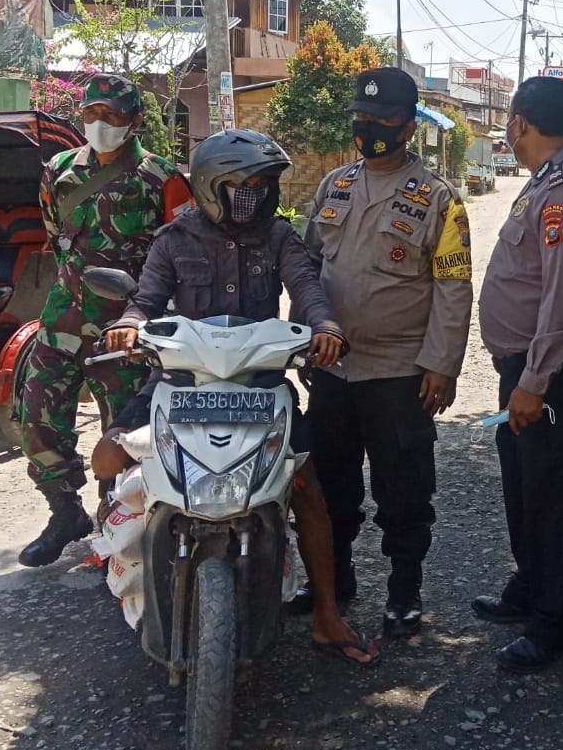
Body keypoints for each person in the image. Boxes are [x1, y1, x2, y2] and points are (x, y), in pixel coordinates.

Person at [92, 128, 377, 665]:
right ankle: (120, 561)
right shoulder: (173, 240)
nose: (253, 195)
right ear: (208, 186)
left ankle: (326, 616)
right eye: (240, 184)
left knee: (310, 489)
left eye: (262, 184)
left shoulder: (279, 238)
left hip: (258, 383)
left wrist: (326, 326)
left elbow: (308, 288)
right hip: (180, 382)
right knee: (107, 459)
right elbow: (146, 298)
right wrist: (129, 325)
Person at [300, 67, 473, 639]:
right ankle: (335, 580)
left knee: (403, 491)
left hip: (400, 374)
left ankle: (404, 590)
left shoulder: (440, 200)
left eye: (383, 119)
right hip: (332, 367)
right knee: (330, 487)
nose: (368, 126)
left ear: (408, 125)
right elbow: (304, 270)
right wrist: (298, 339)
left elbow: (453, 286)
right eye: (361, 116)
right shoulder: (334, 186)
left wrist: (443, 364)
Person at [16, 75, 192, 568]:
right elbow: (56, 235)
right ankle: (63, 512)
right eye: (92, 113)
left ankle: (116, 526)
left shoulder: (162, 177)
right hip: (64, 318)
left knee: (123, 435)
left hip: (129, 328)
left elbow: (181, 251)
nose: (100, 124)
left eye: (112, 116)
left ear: (135, 121)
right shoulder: (60, 170)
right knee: (38, 419)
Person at [474, 75, 563, 673]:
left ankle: (556, 620)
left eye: (510, 119)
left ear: (521, 122)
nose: (508, 128)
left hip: (554, 370)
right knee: (525, 486)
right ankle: (531, 587)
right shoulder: (544, 183)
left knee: (555, 495)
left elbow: (562, 297)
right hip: (530, 367)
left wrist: (534, 381)